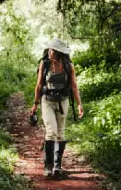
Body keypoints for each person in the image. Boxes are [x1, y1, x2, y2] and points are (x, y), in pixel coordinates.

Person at [29, 38, 84, 177]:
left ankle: (57, 166)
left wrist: (79, 104)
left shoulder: (68, 65)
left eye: (52, 50)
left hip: (63, 101)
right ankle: (48, 167)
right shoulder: (45, 63)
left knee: (60, 133)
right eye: (49, 49)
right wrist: (35, 105)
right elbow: (39, 85)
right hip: (47, 101)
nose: (49, 51)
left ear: (58, 52)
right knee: (51, 132)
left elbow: (74, 86)